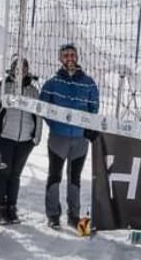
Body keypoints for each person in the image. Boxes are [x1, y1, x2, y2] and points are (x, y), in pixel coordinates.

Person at [39, 43, 99, 230]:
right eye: (66, 55)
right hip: (58, 138)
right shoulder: (51, 83)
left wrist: (87, 128)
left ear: (77, 57)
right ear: (60, 59)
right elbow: (43, 108)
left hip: (80, 140)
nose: (70, 58)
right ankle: (53, 215)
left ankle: (74, 216)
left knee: (75, 178)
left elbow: (94, 108)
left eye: (72, 55)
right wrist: (56, 125)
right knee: (54, 176)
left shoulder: (88, 83)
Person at [0, 57, 42, 224]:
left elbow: (38, 114)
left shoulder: (33, 91)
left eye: (24, 67)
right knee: (3, 173)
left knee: (15, 175)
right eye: (16, 67)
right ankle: (0, 209)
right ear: (11, 69)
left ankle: (12, 207)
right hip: (4, 138)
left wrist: (36, 136)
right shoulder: (0, 87)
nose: (20, 71)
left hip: (25, 140)